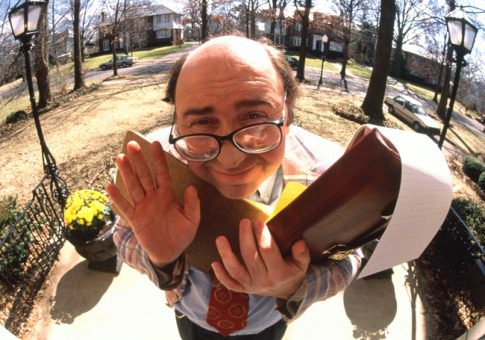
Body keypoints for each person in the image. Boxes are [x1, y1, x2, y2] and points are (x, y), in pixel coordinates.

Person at [106, 35, 362, 340]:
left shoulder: (326, 175)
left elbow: (348, 258)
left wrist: (292, 287)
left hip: (268, 325)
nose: (231, 160)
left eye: (254, 117)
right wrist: (161, 261)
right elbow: (123, 231)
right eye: (202, 124)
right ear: (178, 124)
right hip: (190, 318)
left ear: (287, 112)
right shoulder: (157, 163)